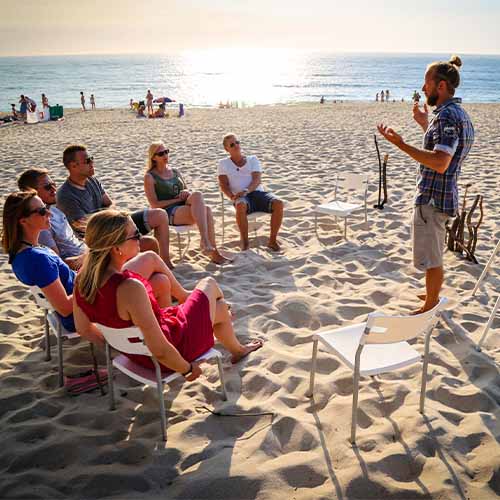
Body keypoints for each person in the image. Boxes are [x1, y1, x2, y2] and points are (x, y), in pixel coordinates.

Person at [73, 210, 262, 377]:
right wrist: (187, 370)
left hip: (137, 355)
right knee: (209, 284)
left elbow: (83, 328)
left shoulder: (82, 279)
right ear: (116, 248)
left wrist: (122, 344)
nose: (140, 238)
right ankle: (222, 314)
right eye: (135, 235)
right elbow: (160, 350)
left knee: (218, 309)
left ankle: (237, 347)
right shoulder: (129, 288)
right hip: (171, 354)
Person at [377, 55, 474, 314]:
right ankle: (431, 294)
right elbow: (445, 151)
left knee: (432, 257)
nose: (423, 88)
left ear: (440, 86)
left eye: (427, 83)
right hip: (443, 194)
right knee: (434, 252)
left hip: (433, 197)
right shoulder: (455, 114)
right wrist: (424, 124)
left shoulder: (446, 117)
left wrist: (400, 145)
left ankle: (430, 306)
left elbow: (441, 162)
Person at [57, 144, 174, 268]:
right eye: (87, 161)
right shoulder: (66, 195)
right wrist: (110, 219)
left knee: (159, 215)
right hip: (101, 237)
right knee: (149, 243)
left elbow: (110, 203)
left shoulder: (92, 181)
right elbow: (82, 226)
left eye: (91, 158)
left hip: (115, 223)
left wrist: (112, 217)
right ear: (73, 166)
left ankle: (165, 263)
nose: (92, 163)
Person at [2, 190, 76, 332]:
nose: (50, 214)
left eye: (46, 208)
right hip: (80, 312)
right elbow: (65, 308)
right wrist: (90, 286)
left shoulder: (21, 253)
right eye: (42, 211)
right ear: (23, 221)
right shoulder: (37, 259)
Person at [144, 142, 227, 264]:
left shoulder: (175, 171)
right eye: (161, 153)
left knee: (198, 195)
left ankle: (206, 243)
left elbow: (187, 190)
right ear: (153, 157)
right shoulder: (150, 177)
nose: (165, 155)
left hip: (183, 205)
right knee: (207, 210)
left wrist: (185, 192)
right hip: (168, 211)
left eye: (167, 151)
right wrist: (177, 199)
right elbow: (154, 204)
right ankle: (211, 249)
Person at [218, 133, 284, 251]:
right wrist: (231, 196)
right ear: (226, 149)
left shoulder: (252, 159)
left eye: (237, 142)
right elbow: (223, 184)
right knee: (241, 204)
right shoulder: (223, 163)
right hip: (241, 197)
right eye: (232, 144)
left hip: (257, 193)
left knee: (278, 203)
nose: (236, 145)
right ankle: (245, 242)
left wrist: (246, 190)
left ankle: (272, 241)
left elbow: (257, 180)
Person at [17, 167, 87, 270]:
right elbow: (58, 263)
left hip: (85, 252)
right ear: (31, 192)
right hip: (81, 266)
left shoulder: (54, 210)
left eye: (54, 184)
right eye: (48, 187)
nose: (54, 189)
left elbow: (72, 239)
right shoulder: (41, 224)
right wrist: (89, 258)